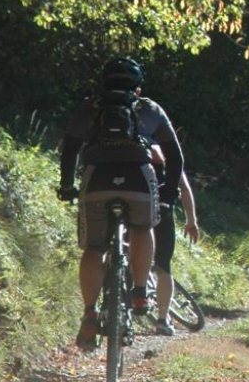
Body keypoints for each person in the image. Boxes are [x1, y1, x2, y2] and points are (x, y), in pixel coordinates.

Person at [58, 57, 185, 351]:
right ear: (137, 88)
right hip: (138, 179)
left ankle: (90, 314)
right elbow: (175, 156)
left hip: (97, 179)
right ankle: (140, 292)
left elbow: (70, 149)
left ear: (102, 84)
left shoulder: (89, 108)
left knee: (94, 248)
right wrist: (168, 194)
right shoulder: (149, 108)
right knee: (142, 227)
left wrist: (66, 186)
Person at [149, 145, 199, 336]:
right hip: (162, 211)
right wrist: (191, 221)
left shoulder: (130, 147)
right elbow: (184, 188)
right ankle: (162, 319)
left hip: (130, 207)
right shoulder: (167, 156)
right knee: (163, 265)